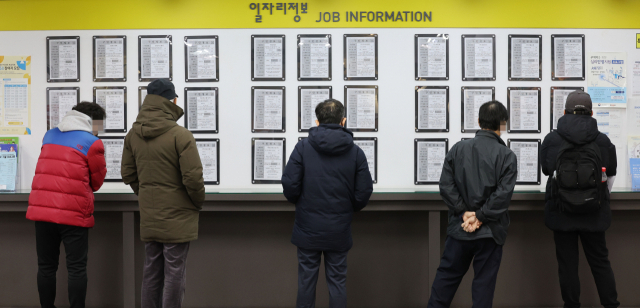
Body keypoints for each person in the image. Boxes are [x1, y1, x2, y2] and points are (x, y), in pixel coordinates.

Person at [121, 79, 205, 308]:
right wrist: (196, 202)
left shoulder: (133, 134)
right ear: (172, 100)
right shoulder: (181, 135)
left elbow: (127, 173)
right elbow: (193, 177)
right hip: (178, 214)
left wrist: (145, 192)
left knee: (151, 269)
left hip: (150, 211)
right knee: (175, 270)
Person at [282, 98, 373, 308]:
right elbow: (363, 192)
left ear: (317, 122)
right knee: (338, 282)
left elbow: (289, 186)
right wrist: (349, 208)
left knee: (306, 283)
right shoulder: (356, 152)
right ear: (343, 121)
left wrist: (300, 202)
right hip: (339, 229)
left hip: (307, 229)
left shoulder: (302, 148)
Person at [428, 101, 517, 308]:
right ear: (503, 124)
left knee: (445, 281)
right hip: (490, 232)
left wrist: (464, 213)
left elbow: (445, 186)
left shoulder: (458, 149)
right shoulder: (507, 156)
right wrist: (480, 216)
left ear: (478, 121)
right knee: (483, 288)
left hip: (459, 229)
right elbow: (503, 195)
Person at [540, 90, 619, 308]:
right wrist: (601, 195)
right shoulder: (602, 140)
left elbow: (547, 170)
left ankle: (571, 305)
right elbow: (611, 171)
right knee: (600, 262)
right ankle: (611, 305)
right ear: (592, 113)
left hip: (561, 210)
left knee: (567, 264)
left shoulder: (552, 139)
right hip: (594, 211)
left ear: (564, 112)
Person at [26, 102, 107, 308]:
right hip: (73, 213)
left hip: (42, 212)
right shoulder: (92, 142)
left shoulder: (49, 135)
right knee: (76, 268)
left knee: (46, 266)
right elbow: (96, 183)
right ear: (92, 121)